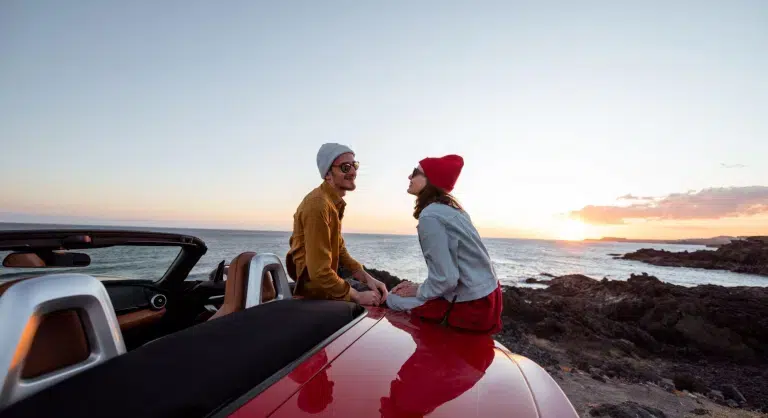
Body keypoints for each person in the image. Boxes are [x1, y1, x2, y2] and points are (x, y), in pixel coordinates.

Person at [387, 154, 503, 334]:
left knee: (393, 299)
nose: (409, 177)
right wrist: (419, 287)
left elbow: (447, 279)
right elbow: (450, 276)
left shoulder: (430, 216)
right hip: (489, 299)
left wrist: (418, 291)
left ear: (430, 180)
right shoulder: (454, 210)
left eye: (415, 172)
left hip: (472, 308)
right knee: (410, 292)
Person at [286, 143, 388, 306]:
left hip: (325, 291)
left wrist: (368, 278)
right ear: (328, 174)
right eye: (346, 167)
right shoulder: (318, 205)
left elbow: (339, 249)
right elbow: (319, 273)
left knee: (381, 292)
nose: (354, 172)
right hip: (315, 297)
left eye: (354, 165)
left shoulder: (332, 203)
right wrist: (357, 296)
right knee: (383, 303)